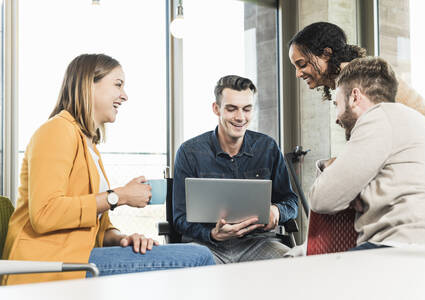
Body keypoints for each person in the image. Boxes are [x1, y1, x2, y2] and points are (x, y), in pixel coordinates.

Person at [1, 54, 215, 286]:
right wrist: (119, 196)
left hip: (78, 257)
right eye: (118, 84)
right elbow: (45, 214)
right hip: (48, 265)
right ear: (88, 84)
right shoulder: (56, 131)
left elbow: (97, 229)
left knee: (190, 257)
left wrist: (122, 239)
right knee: (199, 256)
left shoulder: (89, 145)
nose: (124, 95)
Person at [308, 57, 425, 250]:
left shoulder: (378, 118)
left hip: (399, 246)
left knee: (318, 275)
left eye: (337, 104)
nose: (336, 118)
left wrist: (330, 168)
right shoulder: (412, 120)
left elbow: (322, 199)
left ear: (354, 97)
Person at [288, 21, 425, 170]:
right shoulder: (349, 77)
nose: (298, 74)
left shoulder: (356, 78)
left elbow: (369, 142)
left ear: (326, 54)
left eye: (302, 64)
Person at [173, 75, 298, 264]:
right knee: (193, 271)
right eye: (231, 109)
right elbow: (179, 217)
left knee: (293, 264)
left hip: (258, 243)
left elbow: (291, 202)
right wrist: (213, 234)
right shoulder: (190, 152)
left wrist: (277, 212)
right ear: (216, 109)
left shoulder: (268, 147)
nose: (240, 117)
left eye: (247, 109)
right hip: (206, 245)